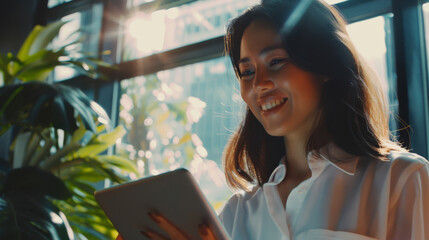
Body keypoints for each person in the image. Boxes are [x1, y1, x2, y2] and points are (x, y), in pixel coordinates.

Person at [120, 0, 429, 239]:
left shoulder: (402, 180)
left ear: (324, 65)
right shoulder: (235, 215)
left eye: (277, 62)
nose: (259, 84)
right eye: (247, 72)